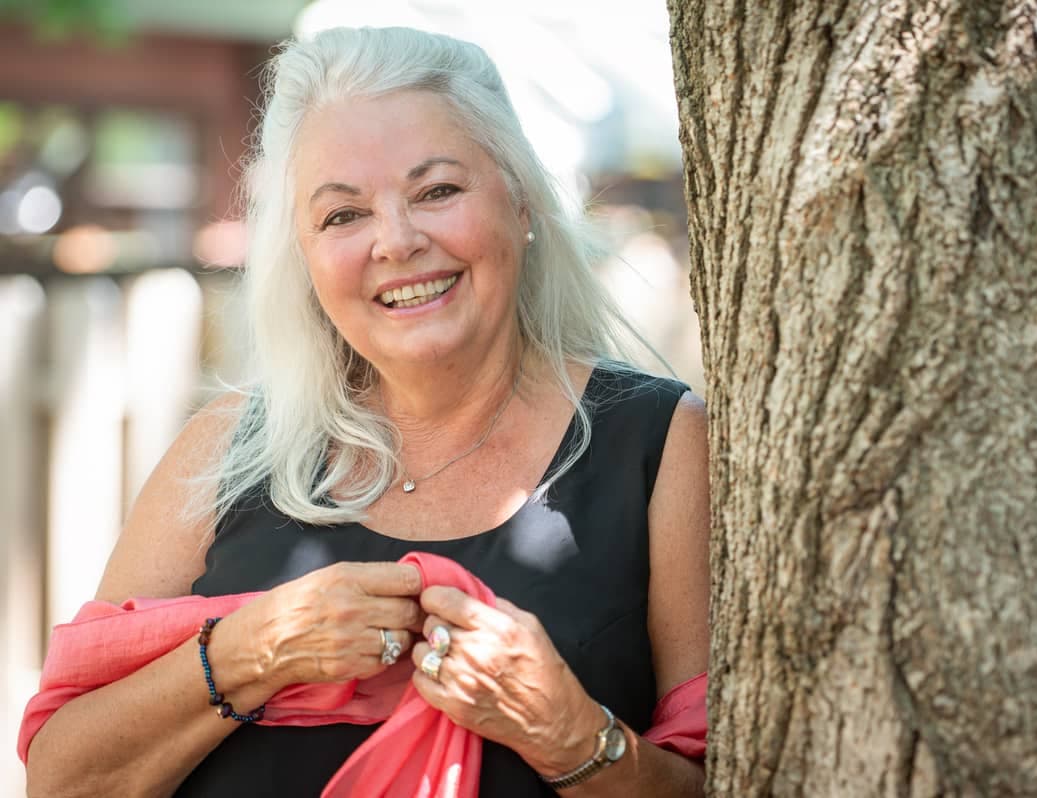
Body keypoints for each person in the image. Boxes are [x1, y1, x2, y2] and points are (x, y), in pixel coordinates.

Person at [21, 25, 709, 798]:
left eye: (437, 191)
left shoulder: (661, 443)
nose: (397, 240)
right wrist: (256, 649)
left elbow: (726, 780)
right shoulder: (225, 448)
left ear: (521, 201)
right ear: (306, 258)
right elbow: (63, 778)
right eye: (343, 216)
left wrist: (567, 732)